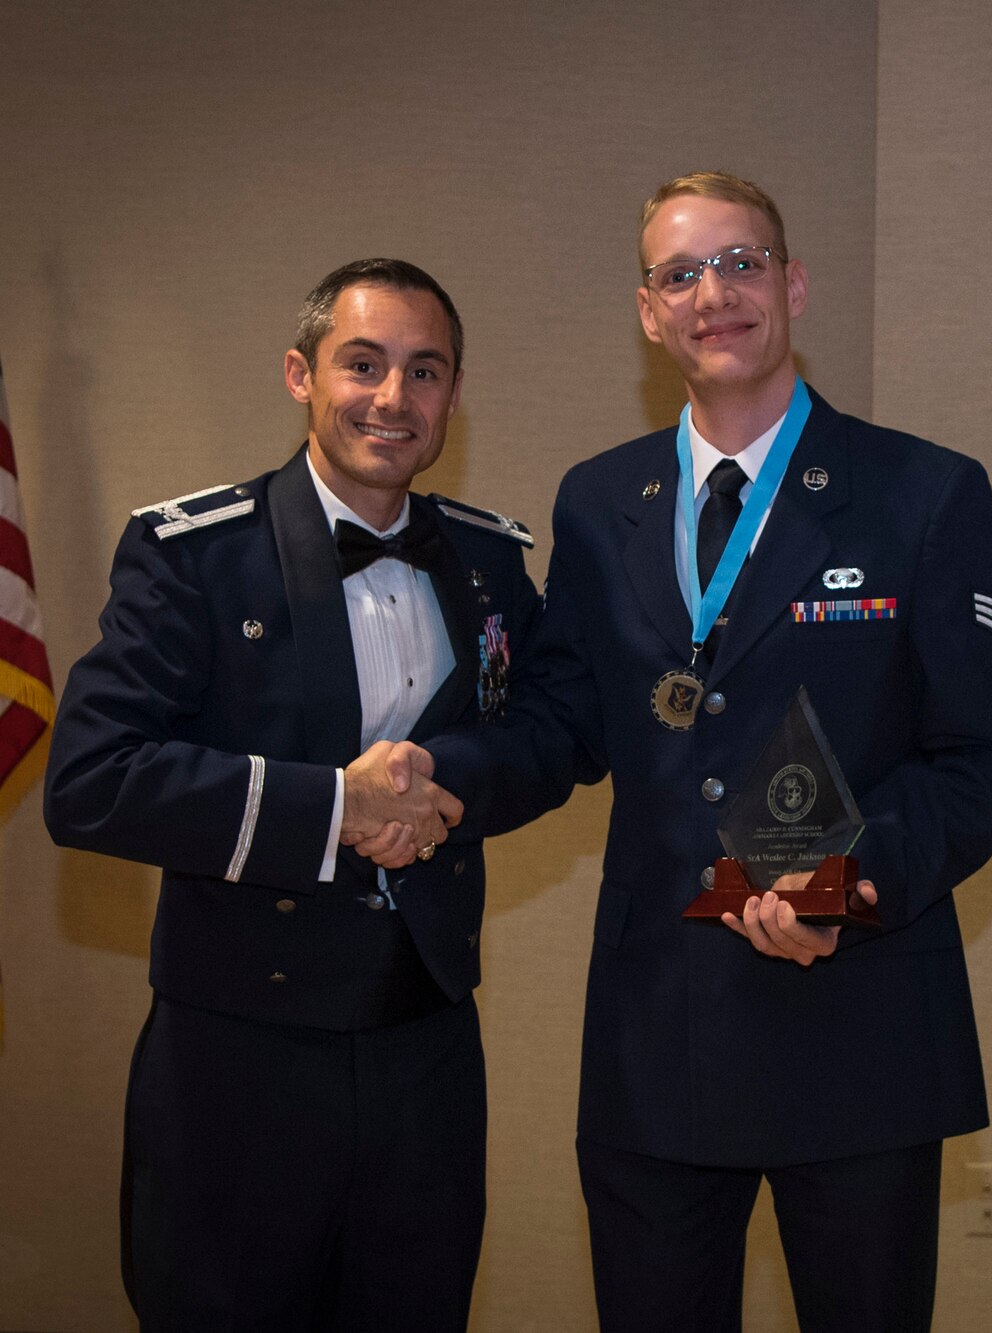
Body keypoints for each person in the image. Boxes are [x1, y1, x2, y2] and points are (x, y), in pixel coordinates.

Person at [410, 172, 992, 1332]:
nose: (715, 294)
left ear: (791, 285)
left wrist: (847, 883)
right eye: (680, 274)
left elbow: (985, 755)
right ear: (648, 314)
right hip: (659, 1038)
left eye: (741, 263)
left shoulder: (922, 492)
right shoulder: (600, 502)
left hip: (857, 1024)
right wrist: (443, 779)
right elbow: (566, 724)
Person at [44, 258, 539, 1329]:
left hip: (426, 1046)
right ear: (300, 375)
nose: (391, 398)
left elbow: (556, 726)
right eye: (361, 364)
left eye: (424, 370)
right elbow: (88, 779)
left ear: (453, 394)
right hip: (238, 1052)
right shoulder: (195, 557)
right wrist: (336, 808)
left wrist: (444, 781)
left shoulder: (490, 562)